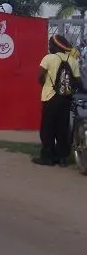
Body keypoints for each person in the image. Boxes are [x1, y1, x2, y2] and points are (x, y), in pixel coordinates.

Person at [34, 34, 83, 167]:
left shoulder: (48, 58)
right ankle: (62, 158)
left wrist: (47, 81)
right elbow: (77, 81)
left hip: (49, 98)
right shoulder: (72, 60)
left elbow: (40, 78)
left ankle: (47, 157)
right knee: (62, 128)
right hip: (66, 99)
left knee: (48, 129)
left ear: (56, 46)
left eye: (50, 44)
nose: (49, 46)